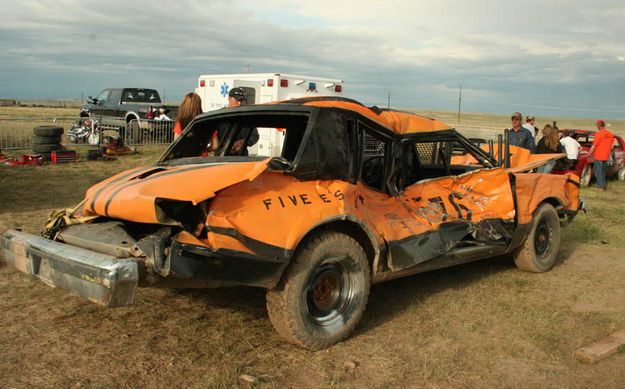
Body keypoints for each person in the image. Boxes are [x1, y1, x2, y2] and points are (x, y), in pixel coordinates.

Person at [209, 87, 259, 155]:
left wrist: (243, 142)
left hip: (241, 159)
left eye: (241, 100)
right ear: (229, 99)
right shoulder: (219, 116)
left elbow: (255, 136)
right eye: (237, 100)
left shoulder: (246, 117)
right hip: (222, 158)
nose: (239, 103)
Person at [588, 119, 615, 191]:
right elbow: (612, 146)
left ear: (599, 125)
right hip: (606, 155)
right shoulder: (609, 133)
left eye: (597, 125)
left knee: (598, 171)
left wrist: (589, 153)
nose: (596, 126)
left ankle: (600, 187)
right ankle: (602, 185)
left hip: (599, 155)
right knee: (602, 171)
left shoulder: (599, 134)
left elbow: (594, 145)